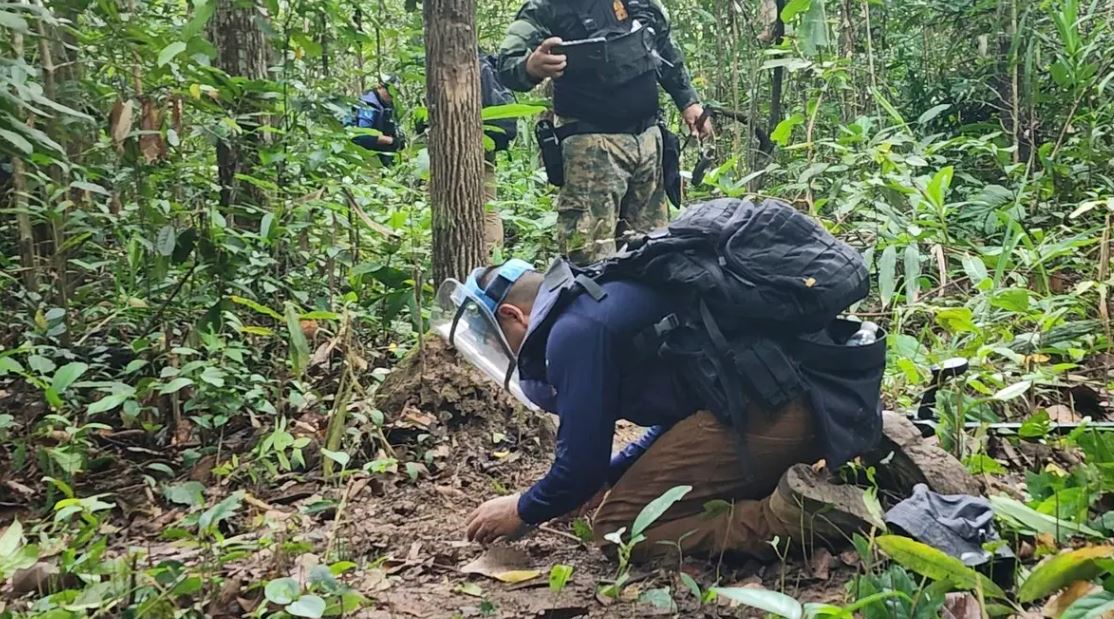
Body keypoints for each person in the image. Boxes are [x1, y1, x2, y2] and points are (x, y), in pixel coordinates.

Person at [458, 258, 885, 562]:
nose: (502, 350)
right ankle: (868, 447)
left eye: (495, 337)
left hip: (777, 410)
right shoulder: (600, 297)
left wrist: (523, 509)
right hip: (823, 397)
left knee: (619, 529)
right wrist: (614, 475)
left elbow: (579, 469)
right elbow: (681, 411)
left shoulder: (573, 333)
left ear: (514, 315)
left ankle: (800, 516)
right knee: (634, 495)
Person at [497, 0, 713, 264]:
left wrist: (688, 101)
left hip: (649, 144)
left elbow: (663, 46)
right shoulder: (548, 6)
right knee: (589, 260)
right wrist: (530, 67)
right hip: (592, 149)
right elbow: (506, 64)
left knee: (652, 254)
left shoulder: (640, 3)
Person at [345, 75, 404, 167]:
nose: (392, 96)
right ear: (380, 87)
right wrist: (391, 141)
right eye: (389, 92)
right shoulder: (368, 105)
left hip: (380, 150)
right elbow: (363, 136)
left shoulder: (387, 105)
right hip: (360, 151)